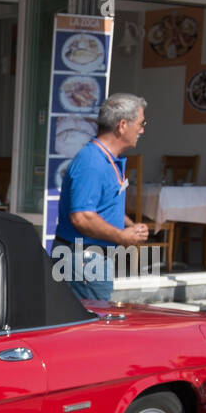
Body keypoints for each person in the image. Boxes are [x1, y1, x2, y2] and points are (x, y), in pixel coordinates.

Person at [54, 92, 151, 302]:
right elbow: (81, 217)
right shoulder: (92, 162)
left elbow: (103, 205)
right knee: (90, 325)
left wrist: (128, 225)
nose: (142, 130)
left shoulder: (105, 159)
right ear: (122, 125)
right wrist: (122, 236)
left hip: (90, 256)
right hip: (84, 258)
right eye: (141, 123)